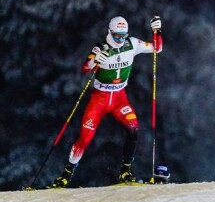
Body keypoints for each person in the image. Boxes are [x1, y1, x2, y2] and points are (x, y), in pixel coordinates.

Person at [51, 14, 163, 188]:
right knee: (85, 137)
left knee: (133, 129)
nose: (120, 39)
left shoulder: (132, 44)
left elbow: (157, 48)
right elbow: (85, 67)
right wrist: (95, 60)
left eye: (123, 35)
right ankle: (66, 174)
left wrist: (157, 30)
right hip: (100, 98)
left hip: (119, 98)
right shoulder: (100, 48)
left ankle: (125, 171)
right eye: (117, 35)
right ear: (110, 32)